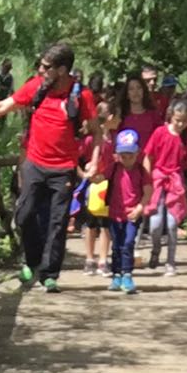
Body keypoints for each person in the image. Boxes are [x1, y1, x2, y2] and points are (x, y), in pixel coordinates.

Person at [0, 42, 97, 294]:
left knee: (58, 222)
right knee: (24, 214)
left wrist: (95, 158)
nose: (40, 69)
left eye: (46, 66)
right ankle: (34, 260)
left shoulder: (81, 95)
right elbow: (4, 106)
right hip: (35, 164)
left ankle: (49, 274)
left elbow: (96, 132)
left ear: (62, 70)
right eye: (40, 64)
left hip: (64, 168)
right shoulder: (36, 87)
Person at [143, 98, 187, 277]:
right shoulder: (160, 132)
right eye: (177, 120)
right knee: (155, 224)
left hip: (175, 183)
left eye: (184, 120)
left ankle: (171, 261)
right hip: (158, 180)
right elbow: (148, 156)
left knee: (171, 224)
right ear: (170, 116)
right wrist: (145, 181)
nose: (180, 124)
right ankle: (155, 249)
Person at [106, 129, 151, 296]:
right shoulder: (114, 168)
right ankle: (116, 275)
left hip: (132, 214)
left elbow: (148, 191)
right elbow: (100, 178)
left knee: (128, 243)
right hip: (114, 213)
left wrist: (140, 208)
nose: (126, 160)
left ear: (137, 153)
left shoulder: (141, 171)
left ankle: (127, 275)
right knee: (116, 245)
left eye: (130, 155)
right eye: (123, 156)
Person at [77, 103, 117, 277]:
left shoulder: (115, 139)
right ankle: (89, 259)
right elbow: (76, 159)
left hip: (109, 185)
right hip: (92, 187)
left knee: (106, 225)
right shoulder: (89, 140)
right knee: (90, 224)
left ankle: (103, 260)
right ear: (108, 118)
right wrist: (84, 174)